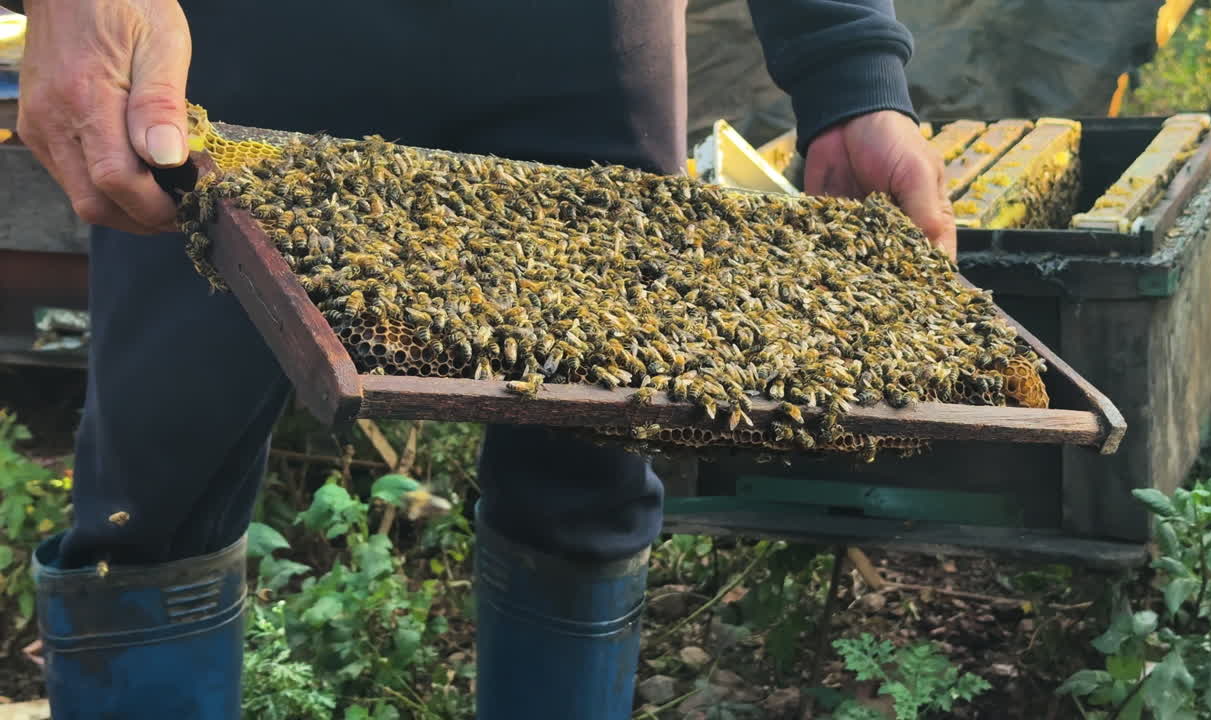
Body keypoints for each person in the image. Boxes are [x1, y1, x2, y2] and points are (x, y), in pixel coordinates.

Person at [10, 1, 955, 718]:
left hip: (580, 43)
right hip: (242, 42)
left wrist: (850, 71)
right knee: (152, 499)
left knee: (586, 488)